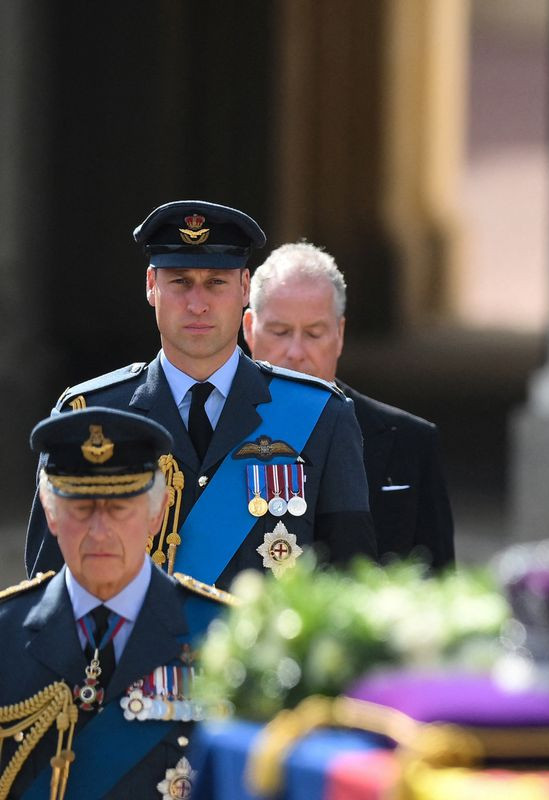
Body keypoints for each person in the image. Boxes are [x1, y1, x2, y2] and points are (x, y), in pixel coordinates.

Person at [25, 201, 376, 589]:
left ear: (244, 287)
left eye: (215, 282)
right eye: (180, 281)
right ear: (150, 286)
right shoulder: (91, 415)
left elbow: (349, 585)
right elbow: (50, 591)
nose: (197, 303)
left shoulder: (320, 415)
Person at [0, 408, 233, 797]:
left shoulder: (223, 633)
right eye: (81, 509)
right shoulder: (5, 632)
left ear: (157, 514)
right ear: (51, 513)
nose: (100, 531)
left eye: (119, 508)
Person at [242, 241, 455, 569]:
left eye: (314, 334)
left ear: (339, 334)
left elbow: (438, 593)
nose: (296, 352)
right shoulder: (210, 427)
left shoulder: (410, 442)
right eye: (280, 332)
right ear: (249, 330)